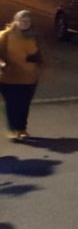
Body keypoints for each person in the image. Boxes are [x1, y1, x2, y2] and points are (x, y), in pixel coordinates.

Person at [0, 10, 42, 141]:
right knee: (12, 104)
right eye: (22, 21)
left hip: (29, 77)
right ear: (15, 21)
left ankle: (21, 129)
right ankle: (14, 127)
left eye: (28, 21)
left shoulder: (35, 37)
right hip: (9, 77)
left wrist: (38, 61)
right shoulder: (5, 36)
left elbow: (43, 55)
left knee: (24, 104)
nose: (25, 23)